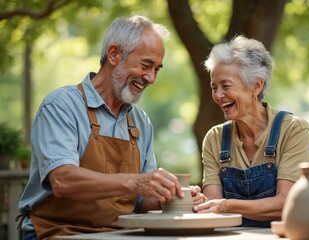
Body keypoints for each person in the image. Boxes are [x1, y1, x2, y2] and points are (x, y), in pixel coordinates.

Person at [17, 15, 203, 240]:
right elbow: (63, 181)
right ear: (114, 54)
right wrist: (138, 182)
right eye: (146, 65)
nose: (151, 78)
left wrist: (171, 196)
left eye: (157, 69)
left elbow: (143, 201)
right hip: (58, 231)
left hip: (121, 234)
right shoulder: (62, 106)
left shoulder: (140, 122)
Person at [193, 36, 309, 227]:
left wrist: (226, 205)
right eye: (214, 87)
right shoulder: (214, 138)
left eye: (226, 86)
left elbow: (287, 203)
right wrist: (198, 202)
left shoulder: (293, 130)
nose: (218, 95)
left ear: (256, 85)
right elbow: (213, 208)